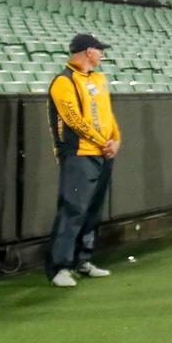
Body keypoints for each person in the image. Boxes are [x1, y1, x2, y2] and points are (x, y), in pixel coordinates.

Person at [45, 33, 120, 287]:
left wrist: (115, 140)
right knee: (73, 209)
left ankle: (83, 259)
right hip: (79, 155)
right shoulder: (63, 81)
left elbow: (108, 115)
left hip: (103, 154)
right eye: (100, 50)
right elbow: (73, 120)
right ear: (89, 51)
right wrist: (102, 142)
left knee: (93, 210)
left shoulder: (99, 79)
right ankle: (60, 267)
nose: (102, 54)